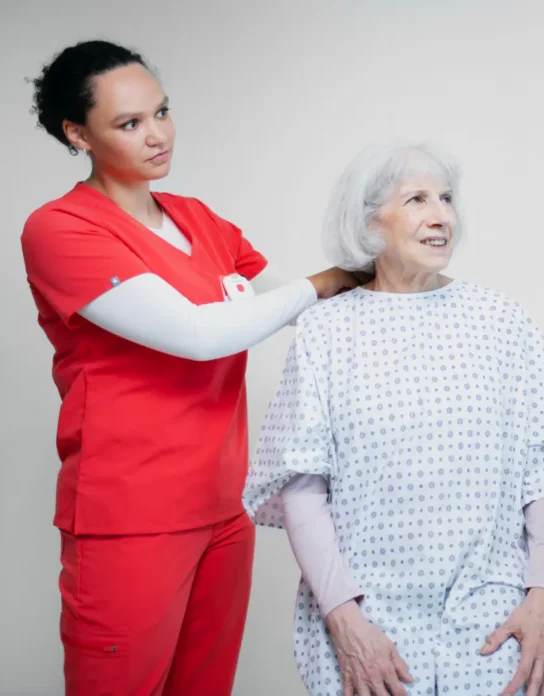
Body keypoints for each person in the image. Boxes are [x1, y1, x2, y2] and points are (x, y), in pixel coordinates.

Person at [20, 40, 357, 695]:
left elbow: (292, 308)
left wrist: (384, 265)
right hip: (131, 518)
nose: (158, 135)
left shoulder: (200, 221)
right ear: (76, 133)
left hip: (224, 508)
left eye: (162, 112)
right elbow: (201, 336)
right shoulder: (61, 230)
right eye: (130, 123)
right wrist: (322, 283)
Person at [242, 141, 544, 696]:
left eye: (446, 198)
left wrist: (543, 597)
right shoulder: (326, 331)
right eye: (416, 199)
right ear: (368, 222)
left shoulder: (501, 321)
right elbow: (300, 485)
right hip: (367, 618)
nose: (441, 216)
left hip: (493, 615)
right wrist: (344, 619)